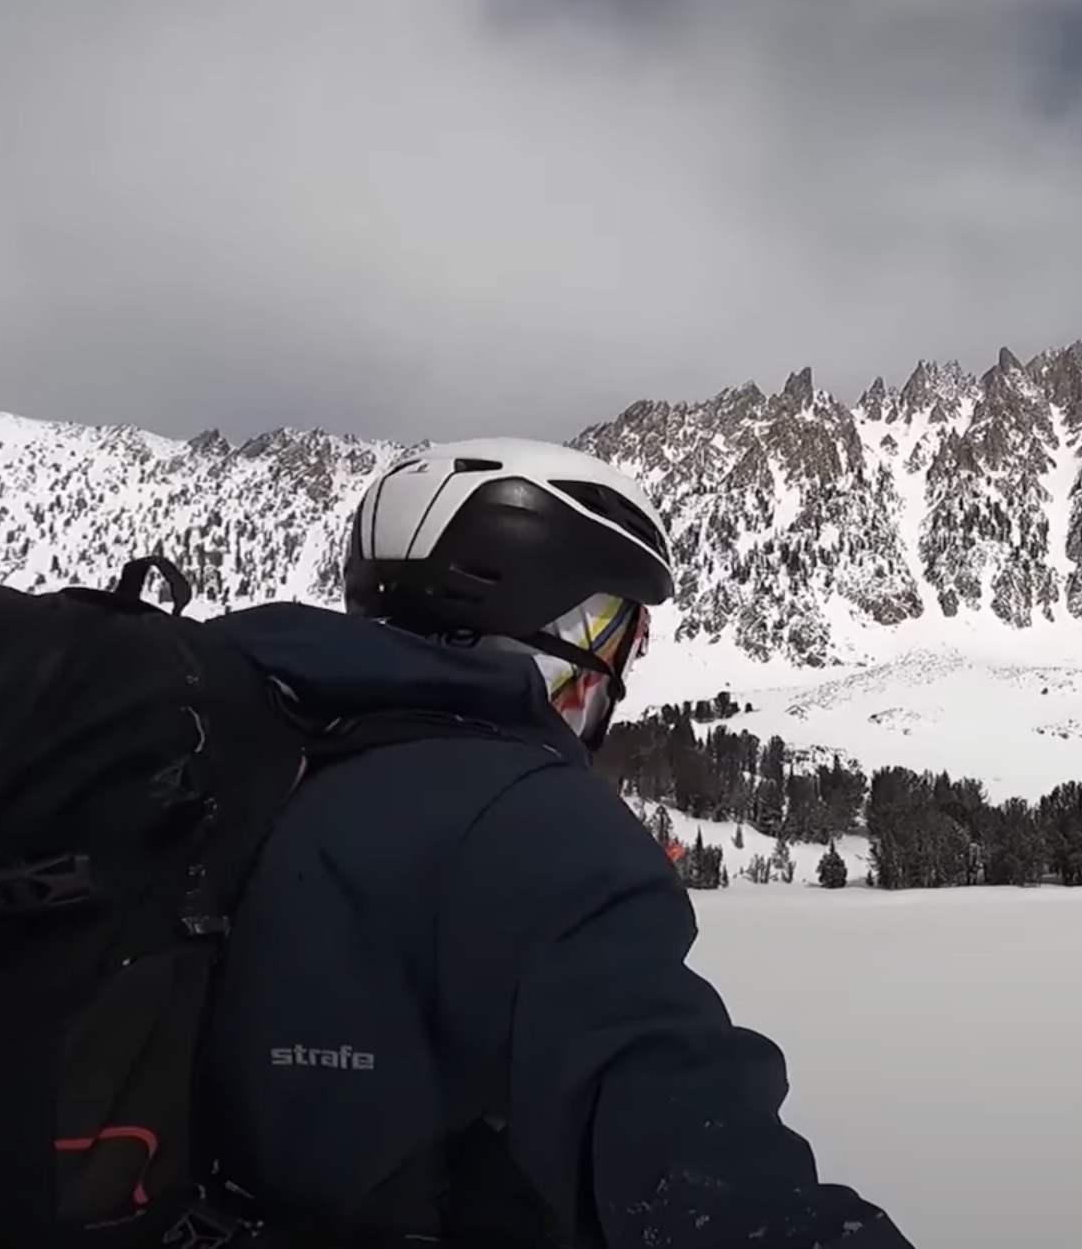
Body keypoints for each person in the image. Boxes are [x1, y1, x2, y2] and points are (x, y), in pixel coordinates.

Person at [194, 438, 911, 1248]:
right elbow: (696, 1165)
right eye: (624, 637)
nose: (623, 675)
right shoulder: (532, 824)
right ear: (564, 625)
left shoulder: (242, 766)